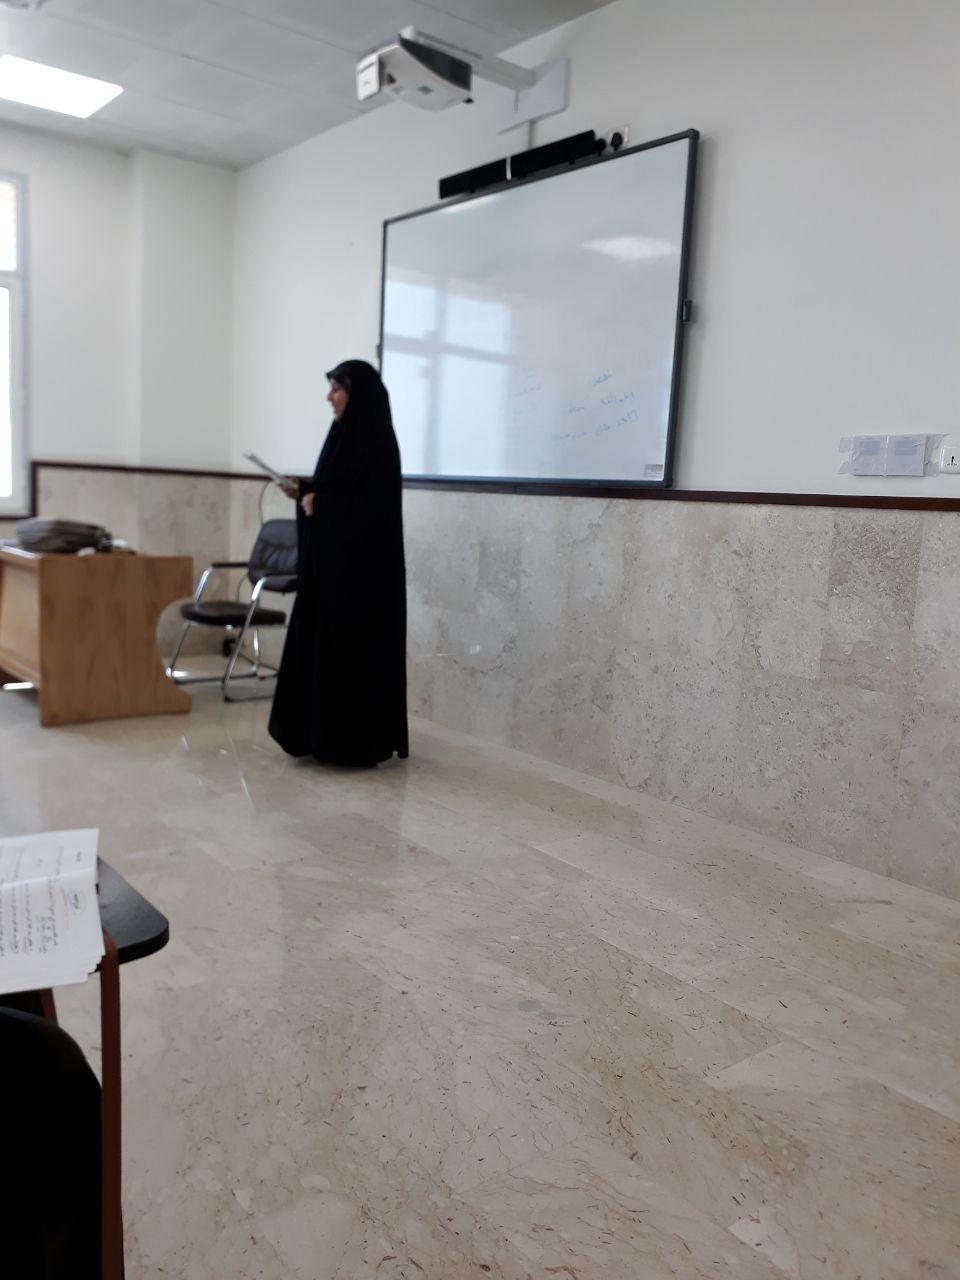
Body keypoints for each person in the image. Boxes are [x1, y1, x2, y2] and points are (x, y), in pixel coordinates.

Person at [269, 360, 409, 765]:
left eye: (336, 388)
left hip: (360, 582)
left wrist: (323, 503)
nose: (329, 397)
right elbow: (338, 488)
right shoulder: (341, 436)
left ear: (357, 394)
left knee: (351, 657)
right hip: (330, 572)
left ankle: (352, 743)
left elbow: (373, 508)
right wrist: (306, 492)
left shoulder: (377, 442)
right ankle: (316, 735)